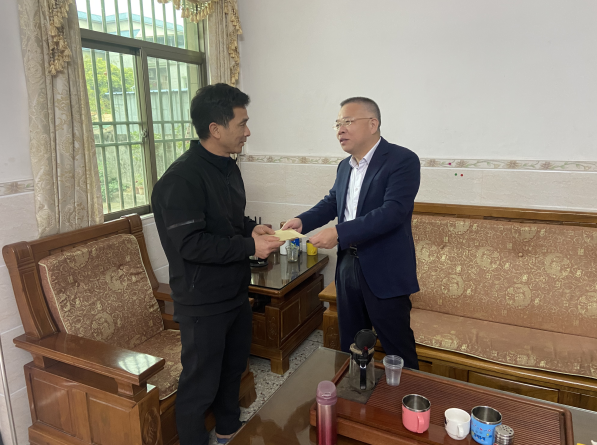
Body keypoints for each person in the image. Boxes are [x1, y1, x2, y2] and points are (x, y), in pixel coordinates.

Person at [152, 83, 284, 445]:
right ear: (215, 129)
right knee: (200, 383)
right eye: (242, 124)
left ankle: (228, 430)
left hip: (234, 290)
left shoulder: (227, 166)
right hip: (202, 300)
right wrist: (250, 246)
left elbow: (228, 219)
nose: (248, 131)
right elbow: (191, 244)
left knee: (232, 369)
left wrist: (250, 228)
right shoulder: (180, 180)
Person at [283, 97, 421, 369]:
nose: (340, 130)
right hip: (348, 265)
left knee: (397, 348)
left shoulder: (402, 160)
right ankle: (357, 390)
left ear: (373, 124)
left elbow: (393, 212)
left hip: (385, 268)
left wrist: (338, 232)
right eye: (337, 124)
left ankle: (407, 395)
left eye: (347, 122)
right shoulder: (345, 166)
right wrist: (302, 221)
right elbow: (333, 202)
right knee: (353, 342)